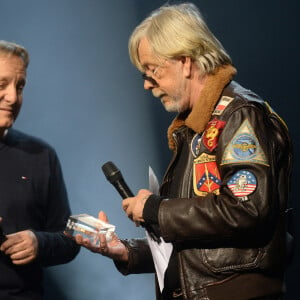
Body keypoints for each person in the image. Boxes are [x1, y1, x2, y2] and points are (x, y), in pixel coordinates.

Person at [74, 3, 293, 300]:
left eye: (152, 70)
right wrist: (126, 252)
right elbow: (198, 242)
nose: (147, 85)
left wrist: (154, 209)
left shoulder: (239, 115)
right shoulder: (195, 129)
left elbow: (247, 208)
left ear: (185, 62)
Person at [0, 40, 80, 299]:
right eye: (2, 85)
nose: (13, 97)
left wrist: (39, 242)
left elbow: (68, 240)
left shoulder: (40, 156)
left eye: (20, 86)